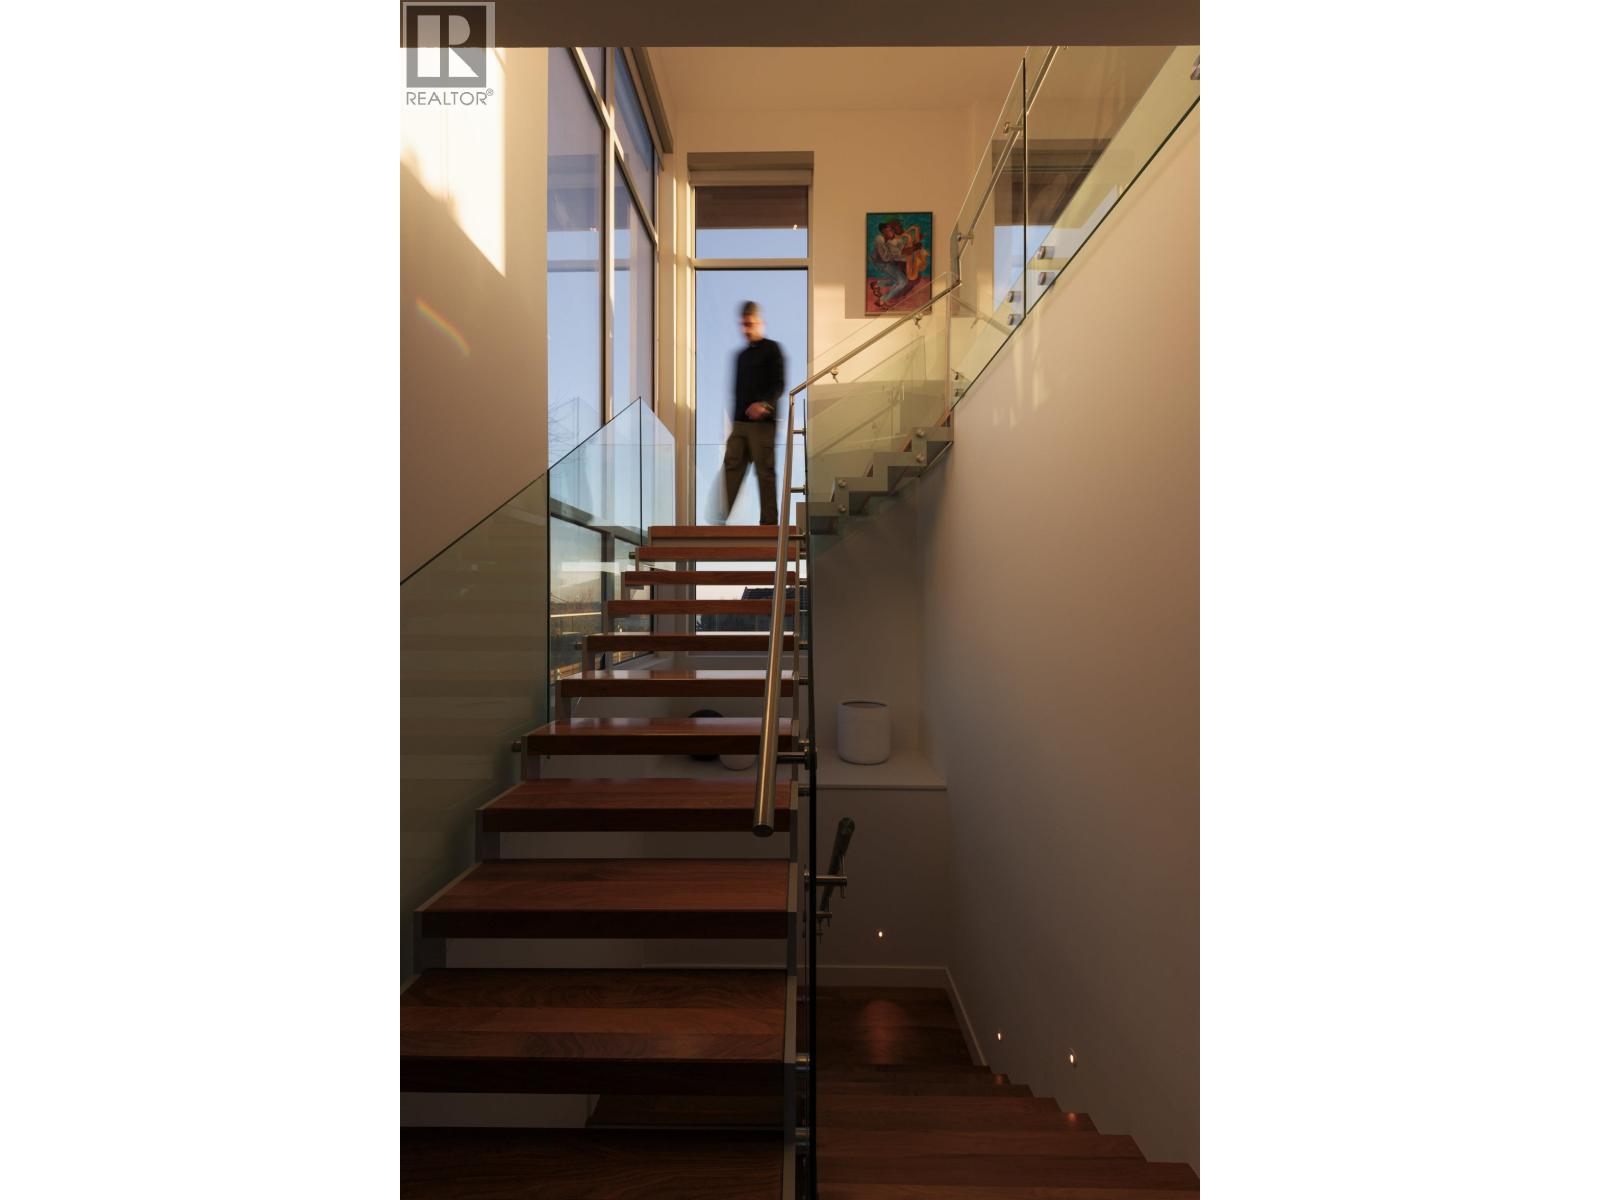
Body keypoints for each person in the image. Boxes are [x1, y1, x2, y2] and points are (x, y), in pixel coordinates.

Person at [723, 300, 785, 526]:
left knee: (765, 472)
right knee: (731, 467)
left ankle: (769, 524)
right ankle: (719, 521)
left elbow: (779, 384)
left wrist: (764, 405)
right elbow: (737, 394)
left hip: (763, 424)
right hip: (740, 424)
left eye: (748, 324)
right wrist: (734, 423)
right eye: (742, 324)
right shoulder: (741, 357)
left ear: (759, 322)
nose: (745, 329)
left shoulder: (772, 349)